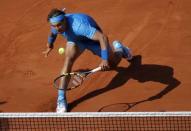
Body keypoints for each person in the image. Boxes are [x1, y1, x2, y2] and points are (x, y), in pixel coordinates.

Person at [42, 8, 133, 113]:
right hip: (76, 41)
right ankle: (61, 99)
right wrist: (50, 45)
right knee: (68, 60)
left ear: (64, 20)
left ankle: (120, 48)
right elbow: (53, 34)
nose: (57, 28)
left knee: (114, 63)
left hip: (93, 40)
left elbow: (102, 37)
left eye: (59, 25)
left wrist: (104, 59)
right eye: (54, 26)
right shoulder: (56, 25)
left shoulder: (79, 26)